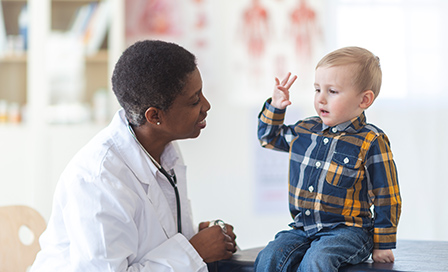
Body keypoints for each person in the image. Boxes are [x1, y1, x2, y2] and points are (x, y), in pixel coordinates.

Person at [30, 40, 238, 271]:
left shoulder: (164, 151)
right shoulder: (98, 179)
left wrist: (198, 238)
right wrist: (194, 252)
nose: (206, 106)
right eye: (194, 100)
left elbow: (150, 243)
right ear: (154, 116)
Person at [254, 46, 402, 271]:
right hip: (303, 228)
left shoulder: (371, 140)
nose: (321, 99)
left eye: (332, 91)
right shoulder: (304, 130)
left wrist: (383, 244)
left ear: (364, 99)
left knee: (318, 259)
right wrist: (275, 106)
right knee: (270, 255)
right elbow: (268, 137)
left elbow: (386, 195)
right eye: (317, 89)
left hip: (349, 231)